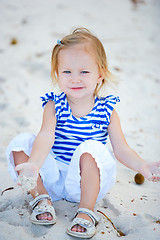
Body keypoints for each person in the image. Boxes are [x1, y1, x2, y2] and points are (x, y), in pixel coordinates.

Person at [6, 28, 160, 239]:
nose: (75, 79)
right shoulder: (54, 104)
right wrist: (34, 164)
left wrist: (142, 165)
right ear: (57, 74)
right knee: (20, 143)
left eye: (84, 72)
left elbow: (121, 148)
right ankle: (41, 198)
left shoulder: (107, 110)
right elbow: (45, 136)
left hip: (85, 183)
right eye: (67, 72)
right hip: (54, 179)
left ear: (100, 73)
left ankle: (86, 210)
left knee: (91, 149)